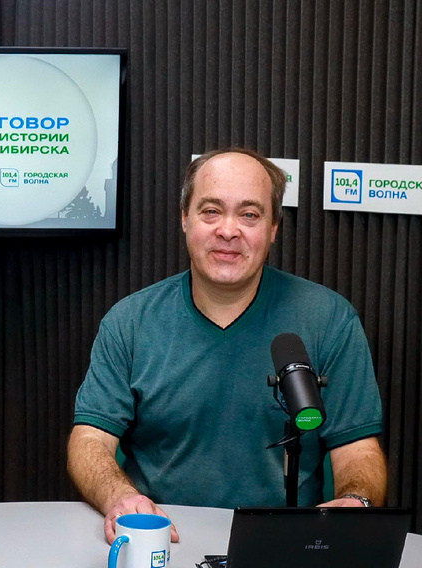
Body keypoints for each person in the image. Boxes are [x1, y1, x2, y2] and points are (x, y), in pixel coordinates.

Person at [68, 148, 387, 543]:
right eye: (211, 211)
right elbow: (89, 439)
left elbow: (358, 449)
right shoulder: (130, 322)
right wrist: (121, 496)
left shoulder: (328, 319)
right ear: (184, 219)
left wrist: (356, 500)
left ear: (273, 229)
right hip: (162, 542)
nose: (228, 230)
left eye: (250, 214)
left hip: (284, 549)